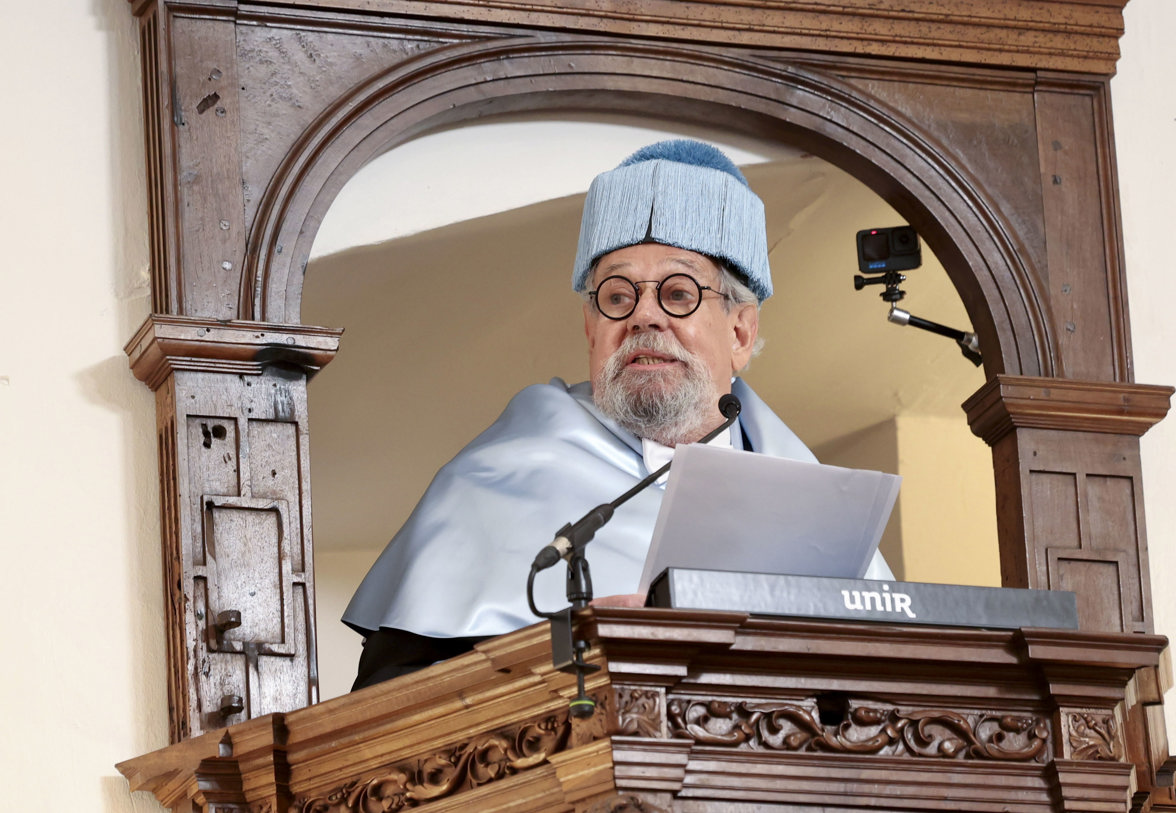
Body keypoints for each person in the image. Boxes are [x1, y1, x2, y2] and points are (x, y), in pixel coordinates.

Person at [343, 139, 892, 688]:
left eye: (678, 293)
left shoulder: (814, 502)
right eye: (616, 294)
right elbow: (387, 700)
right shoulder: (497, 479)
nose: (643, 316)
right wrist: (567, 648)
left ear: (741, 332)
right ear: (591, 329)